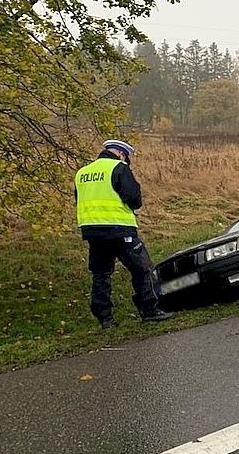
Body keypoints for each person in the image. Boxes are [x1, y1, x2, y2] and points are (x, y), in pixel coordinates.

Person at [74, 139, 172, 329]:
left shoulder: (82, 172)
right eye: (126, 157)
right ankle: (149, 310)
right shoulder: (119, 168)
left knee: (101, 274)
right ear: (121, 154)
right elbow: (134, 199)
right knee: (142, 268)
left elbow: (79, 199)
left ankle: (106, 319)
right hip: (120, 228)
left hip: (92, 231)